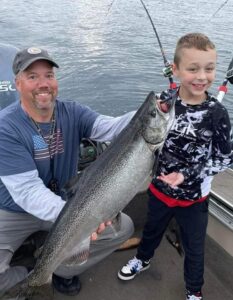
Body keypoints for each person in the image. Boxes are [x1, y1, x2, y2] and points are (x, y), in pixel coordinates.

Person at [0, 46, 135, 297]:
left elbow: (113, 128)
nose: (44, 84)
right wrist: (80, 219)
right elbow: (28, 193)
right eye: (33, 77)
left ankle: (60, 270)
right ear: (17, 83)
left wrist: (155, 111)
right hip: (13, 210)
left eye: (49, 75)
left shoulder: (72, 111)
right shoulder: (5, 127)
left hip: (66, 203)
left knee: (123, 228)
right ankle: (34, 271)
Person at [118, 33, 232, 300]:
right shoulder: (163, 103)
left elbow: (225, 159)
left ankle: (194, 290)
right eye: (193, 69)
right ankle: (142, 259)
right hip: (159, 191)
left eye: (210, 68)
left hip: (194, 198)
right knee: (151, 231)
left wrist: (187, 175)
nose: (202, 76)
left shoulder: (217, 113)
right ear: (176, 69)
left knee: (194, 247)